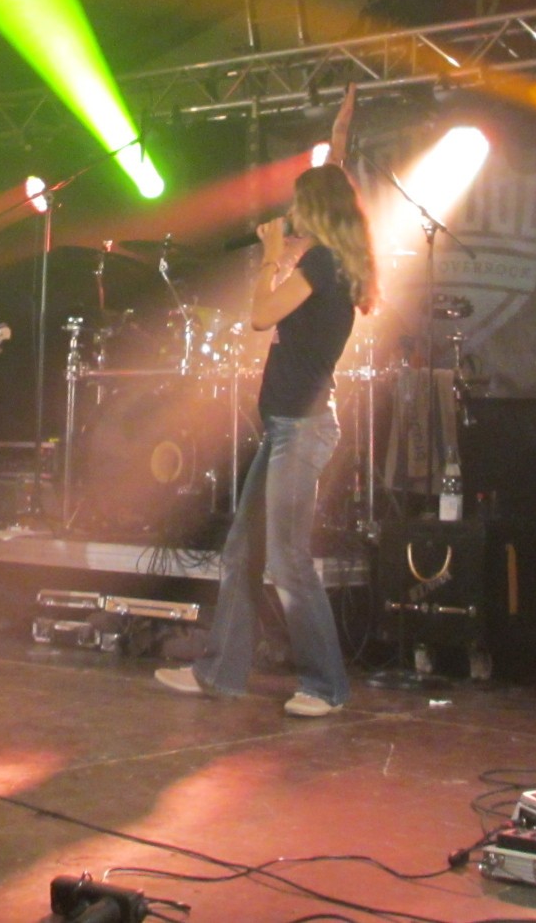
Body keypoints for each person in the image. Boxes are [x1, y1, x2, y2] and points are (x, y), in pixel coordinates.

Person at [156, 162, 378, 717]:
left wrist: (272, 255)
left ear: (316, 210)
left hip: (302, 429)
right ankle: (219, 673)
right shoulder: (328, 262)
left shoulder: (323, 262)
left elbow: (260, 316)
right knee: (242, 551)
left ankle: (325, 686)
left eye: (300, 204)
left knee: (287, 559)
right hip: (286, 427)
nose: (291, 213)